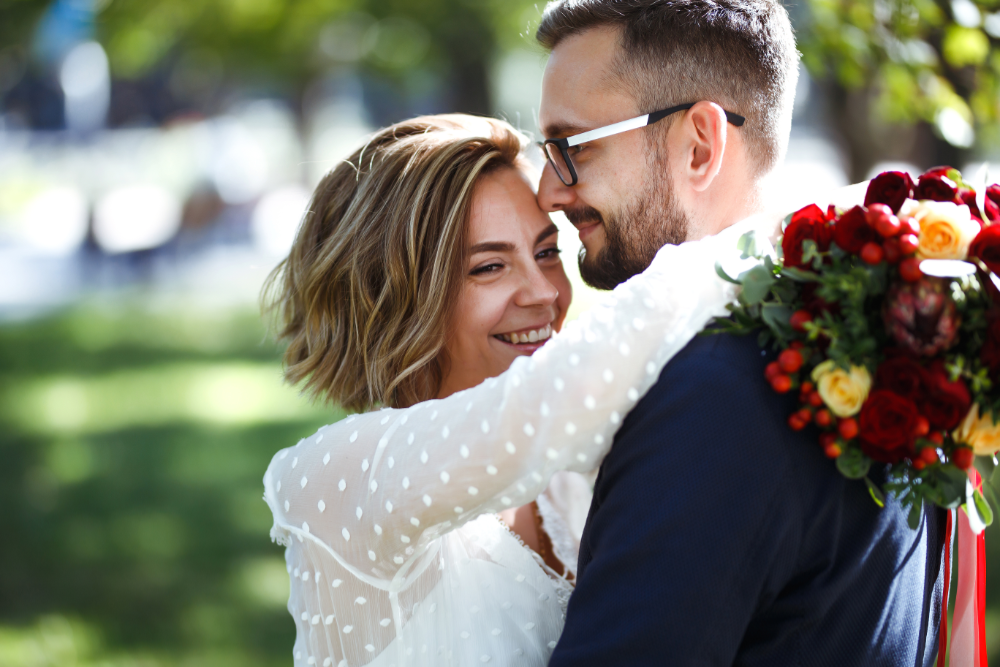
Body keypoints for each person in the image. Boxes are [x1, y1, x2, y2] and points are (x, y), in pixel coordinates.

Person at [531, 1, 945, 665]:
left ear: (699, 145)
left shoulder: (713, 395)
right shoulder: (862, 341)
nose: (550, 190)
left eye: (573, 145)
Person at [261, 112, 744, 665]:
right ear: (394, 295)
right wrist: (807, 236)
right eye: (490, 267)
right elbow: (584, 375)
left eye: (546, 253)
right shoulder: (340, 477)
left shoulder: (569, 480)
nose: (543, 293)